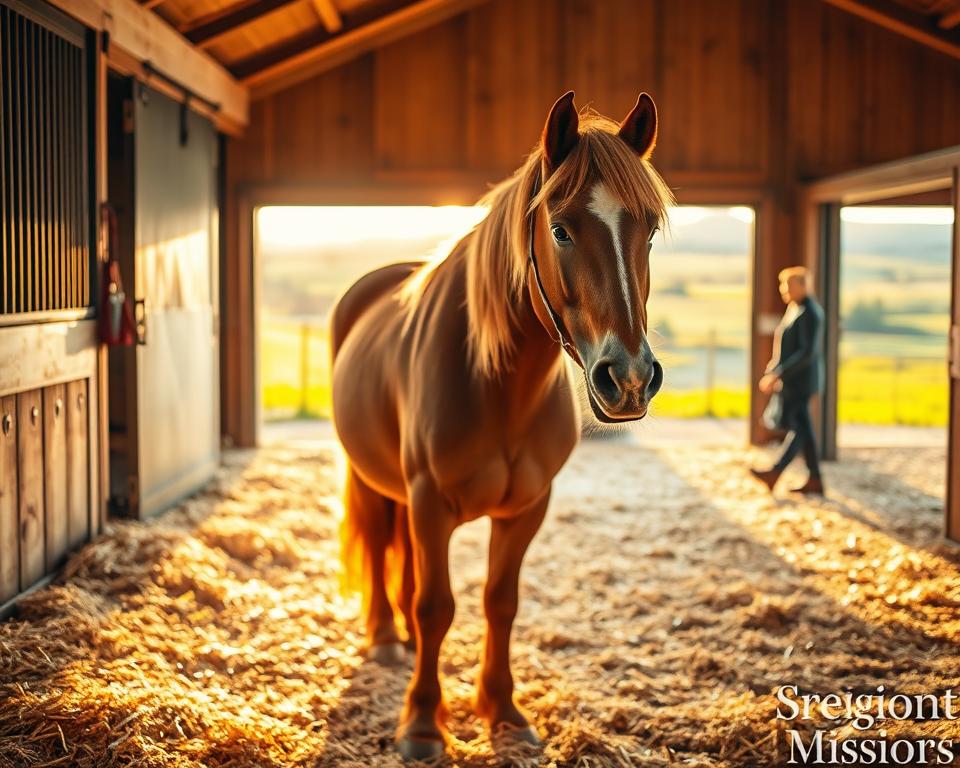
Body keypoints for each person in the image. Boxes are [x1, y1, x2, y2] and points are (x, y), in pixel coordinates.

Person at [750, 266, 825, 495]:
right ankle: (814, 479)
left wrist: (779, 372)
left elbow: (807, 352)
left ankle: (777, 472)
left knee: (801, 429)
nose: (783, 289)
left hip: (802, 382)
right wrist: (775, 367)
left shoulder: (810, 312)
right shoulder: (795, 308)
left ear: (803, 286)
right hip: (794, 381)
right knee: (803, 429)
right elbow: (787, 345)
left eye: (788, 285)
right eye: (783, 285)